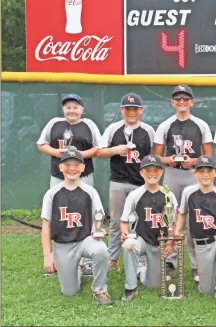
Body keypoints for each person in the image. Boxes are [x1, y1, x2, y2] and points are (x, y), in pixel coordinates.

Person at [37, 93, 102, 275]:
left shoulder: (89, 125)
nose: (71, 110)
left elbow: (99, 148)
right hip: (58, 176)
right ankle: (54, 255)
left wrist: (76, 156)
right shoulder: (54, 123)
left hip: (84, 175)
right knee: (56, 215)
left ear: (82, 109)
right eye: (68, 107)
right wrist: (58, 153)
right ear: (63, 109)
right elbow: (41, 144)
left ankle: (88, 259)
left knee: (87, 214)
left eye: (75, 107)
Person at [154, 85, 213, 282]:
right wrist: (167, 159)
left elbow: (208, 156)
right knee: (170, 217)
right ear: (172, 102)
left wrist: (195, 162)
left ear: (192, 102)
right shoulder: (165, 125)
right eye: (177, 98)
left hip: (193, 174)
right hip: (171, 173)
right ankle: (170, 261)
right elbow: (156, 157)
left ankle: (196, 265)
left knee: (194, 219)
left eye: (185, 98)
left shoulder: (200, 125)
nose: (181, 102)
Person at [40, 147, 113, 305]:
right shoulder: (52, 194)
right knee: (70, 292)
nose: (72, 168)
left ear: (83, 167)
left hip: (84, 240)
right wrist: (47, 256)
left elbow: (98, 217)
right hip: (62, 245)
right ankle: (78, 267)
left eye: (76, 164)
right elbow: (46, 226)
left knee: (100, 249)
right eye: (67, 164)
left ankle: (100, 289)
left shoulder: (90, 191)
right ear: (60, 167)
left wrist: (97, 228)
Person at [97, 93, 155, 272]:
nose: (131, 112)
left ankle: (141, 258)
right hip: (119, 181)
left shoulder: (148, 130)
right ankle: (113, 259)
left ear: (141, 110)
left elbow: (154, 156)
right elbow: (99, 152)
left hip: (141, 183)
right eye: (128, 109)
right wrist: (115, 150)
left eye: (135, 109)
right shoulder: (114, 128)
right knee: (115, 221)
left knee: (142, 221)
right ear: (122, 110)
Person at [174, 156, 216, 314]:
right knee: (205, 290)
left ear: (215, 172)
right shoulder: (189, 192)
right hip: (201, 244)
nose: (205, 174)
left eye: (209, 171)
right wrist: (177, 230)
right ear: (195, 173)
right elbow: (182, 213)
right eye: (201, 171)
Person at [119, 155, 177, 302]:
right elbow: (124, 220)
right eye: (148, 170)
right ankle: (130, 287)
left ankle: (142, 268)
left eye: (156, 170)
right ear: (141, 173)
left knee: (153, 284)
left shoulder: (168, 194)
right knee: (129, 245)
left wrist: (170, 242)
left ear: (161, 172)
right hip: (141, 239)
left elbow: (173, 222)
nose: (152, 173)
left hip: (160, 243)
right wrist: (124, 232)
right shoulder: (134, 195)